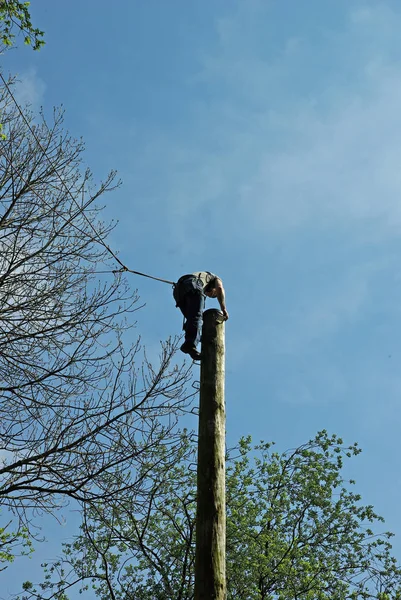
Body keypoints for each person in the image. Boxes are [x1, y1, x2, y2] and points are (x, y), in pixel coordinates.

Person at [173, 271, 229, 360]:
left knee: (193, 319)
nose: (210, 295)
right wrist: (223, 309)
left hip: (179, 291)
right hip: (193, 284)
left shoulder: (203, 283)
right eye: (213, 294)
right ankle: (190, 344)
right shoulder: (215, 278)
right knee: (197, 317)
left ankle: (195, 341)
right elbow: (220, 288)